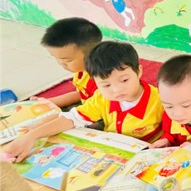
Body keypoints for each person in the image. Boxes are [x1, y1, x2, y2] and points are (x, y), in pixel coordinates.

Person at [4, 41, 163, 162]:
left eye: (124, 80)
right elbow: (71, 118)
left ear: (139, 71)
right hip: (115, 150)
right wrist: (30, 137)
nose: (116, 90)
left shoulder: (161, 100)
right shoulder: (101, 98)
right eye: (106, 85)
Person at [39, 17, 102, 107]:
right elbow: (81, 94)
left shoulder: (102, 80)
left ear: (92, 53)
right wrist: (49, 102)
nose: (61, 63)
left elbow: (98, 107)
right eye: (56, 58)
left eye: (67, 60)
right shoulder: (81, 72)